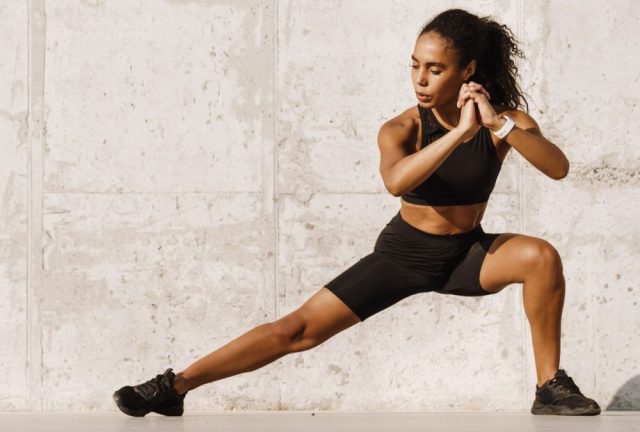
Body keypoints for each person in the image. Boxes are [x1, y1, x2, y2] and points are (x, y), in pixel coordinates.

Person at [113, 8, 601, 417]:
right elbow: (395, 182)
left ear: (466, 70)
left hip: (466, 254)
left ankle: (548, 387)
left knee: (540, 257)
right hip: (404, 255)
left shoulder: (504, 123)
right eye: (414, 67)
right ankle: (175, 387)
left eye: (435, 69)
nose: (421, 80)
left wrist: (497, 124)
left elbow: (558, 168)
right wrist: (458, 134)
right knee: (296, 331)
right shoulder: (402, 127)